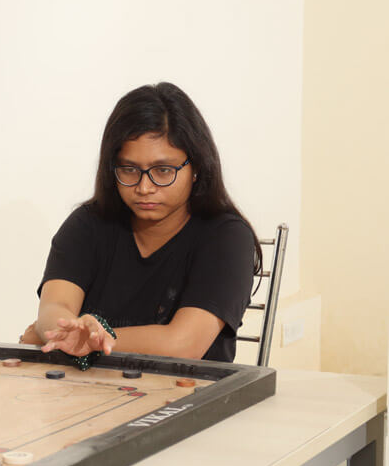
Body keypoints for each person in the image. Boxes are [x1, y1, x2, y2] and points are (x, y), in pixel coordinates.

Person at [25, 82, 261, 364]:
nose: (144, 187)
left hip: (188, 388)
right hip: (89, 386)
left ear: (196, 167)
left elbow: (182, 345)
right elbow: (55, 308)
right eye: (129, 169)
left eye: (163, 171)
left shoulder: (227, 237)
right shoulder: (88, 224)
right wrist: (58, 330)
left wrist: (88, 340)